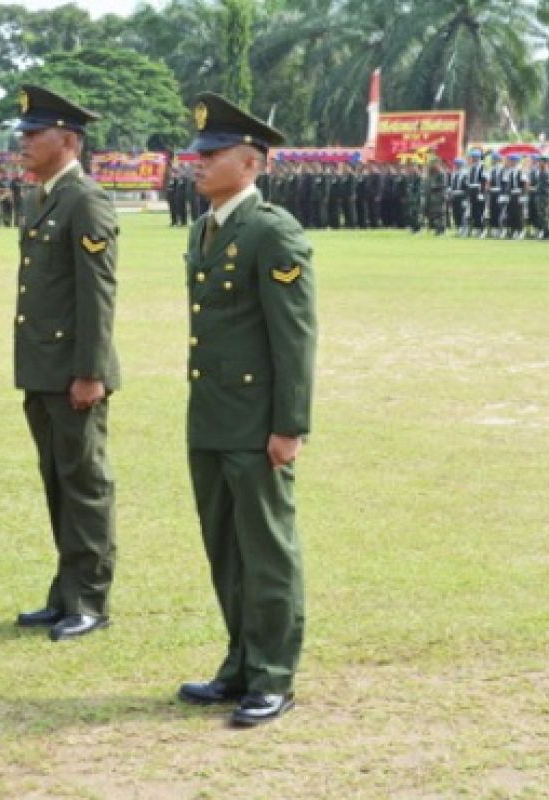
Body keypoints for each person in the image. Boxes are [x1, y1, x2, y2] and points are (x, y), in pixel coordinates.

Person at [177, 92, 317, 728]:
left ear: (252, 164)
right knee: (225, 548)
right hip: (211, 416)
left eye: (212, 154)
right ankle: (239, 662)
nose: (197, 163)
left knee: (266, 550)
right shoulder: (205, 227)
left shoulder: (271, 231)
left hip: (257, 423)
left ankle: (272, 675)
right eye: (198, 154)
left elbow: (294, 336)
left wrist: (288, 426)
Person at [11, 84, 120, 642]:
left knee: (84, 482)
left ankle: (90, 598)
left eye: (34, 134)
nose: (23, 142)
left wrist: (91, 372)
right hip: (43, 369)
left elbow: (96, 295)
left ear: (69, 140)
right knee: (57, 480)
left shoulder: (86, 200)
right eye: (23, 134)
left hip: (74, 372)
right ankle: (66, 591)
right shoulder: (41, 197)